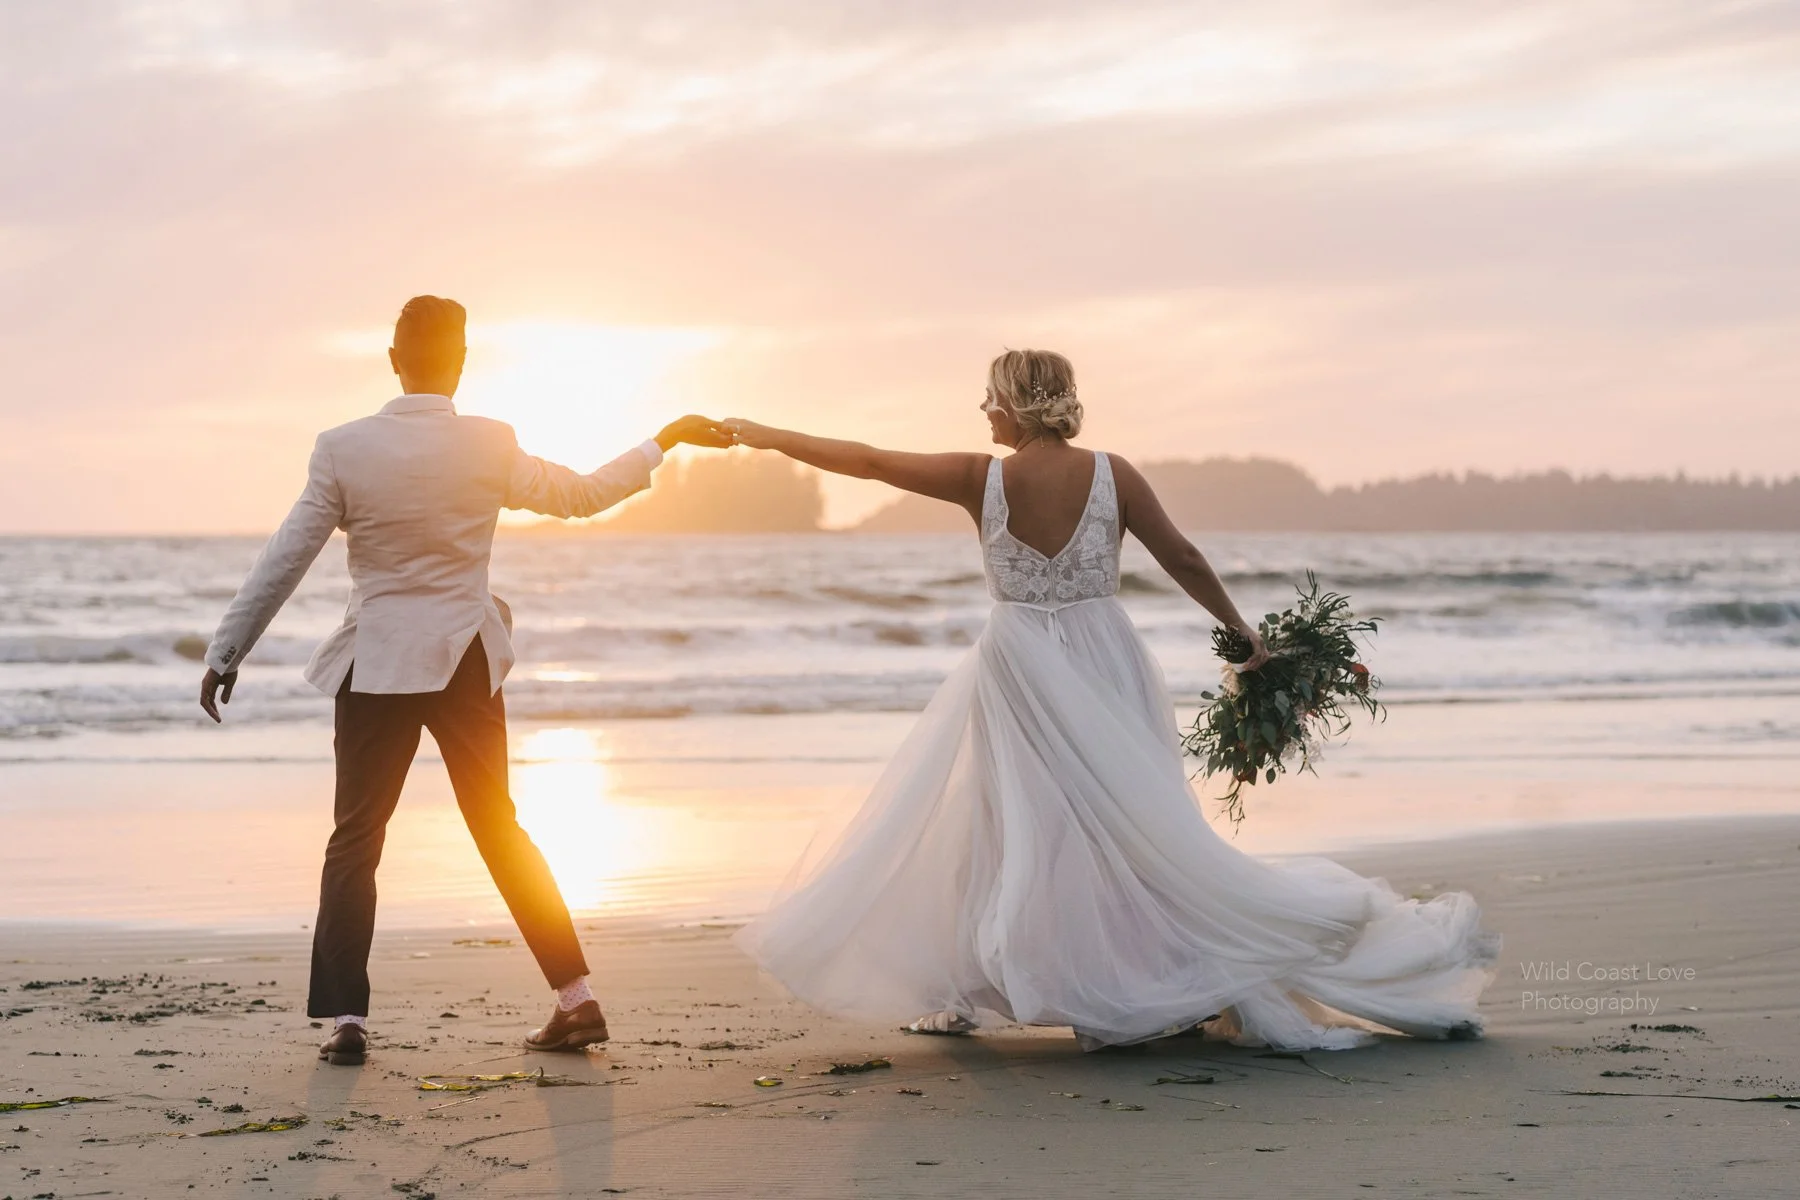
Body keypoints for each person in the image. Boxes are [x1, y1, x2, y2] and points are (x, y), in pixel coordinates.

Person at [725, 349, 1497, 1050]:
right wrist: (1242, 637)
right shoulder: (1112, 473)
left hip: (1021, 664)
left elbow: (863, 461)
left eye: (990, 398)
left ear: (1018, 405)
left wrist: (761, 433)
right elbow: (1182, 556)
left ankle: (977, 991)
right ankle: (1125, 973)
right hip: (1105, 657)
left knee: (1005, 822)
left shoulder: (979, 478)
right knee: (1131, 823)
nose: (982, 411)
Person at [199, 295, 731, 1065]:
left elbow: (288, 555)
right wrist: (664, 440)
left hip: (378, 662)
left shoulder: (343, 447)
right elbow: (582, 497)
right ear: (460, 362)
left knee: (356, 839)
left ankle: (348, 1022)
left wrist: (227, 649)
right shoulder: (488, 443)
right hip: (464, 662)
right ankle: (576, 1001)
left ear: (393, 359)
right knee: (499, 829)